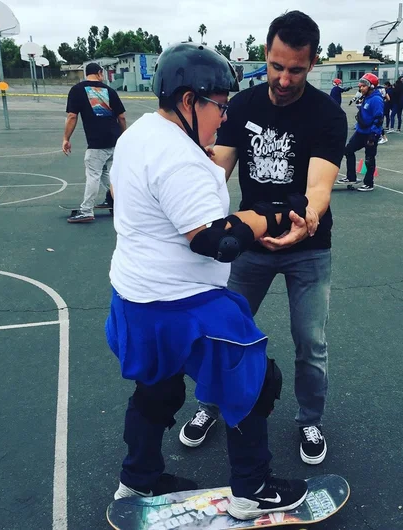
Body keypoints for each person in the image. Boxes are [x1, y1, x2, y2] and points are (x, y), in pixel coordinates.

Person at [105, 42, 309, 521]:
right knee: (257, 382)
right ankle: (252, 490)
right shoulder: (181, 157)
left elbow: (120, 199)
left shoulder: (138, 134)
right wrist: (273, 214)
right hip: (185, 305)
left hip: (135, 297)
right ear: (188, 100)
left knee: (157, 390)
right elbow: (215, 241)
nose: (224, 118)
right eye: (220, 106)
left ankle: (136, 480)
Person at [179, 11, 348, 466]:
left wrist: (305, 220)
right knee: (223, 331)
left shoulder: (328, 116)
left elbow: (319, 189)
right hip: (249, 246)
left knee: (310, 341)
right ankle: (208, 407)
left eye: (295, 68)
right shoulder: (244, 106)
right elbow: (218, 171)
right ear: (266, 56)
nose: (284, 78)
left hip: (308, 249)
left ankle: (309, 419)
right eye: (276, 66)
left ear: (312, 63)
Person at [62, 62, 127, 223]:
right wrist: (124, 137)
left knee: (93, 175)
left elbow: (72, 116)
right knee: (106, 173)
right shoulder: (110, 91)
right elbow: (122, 117)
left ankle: (86, 210)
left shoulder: (77, 90)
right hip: (115, 141)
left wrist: (66, 139)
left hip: (97, 142)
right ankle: (120, 202)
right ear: (99, 73)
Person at [338, 72, 384, 192]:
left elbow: (378, 118)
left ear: (371, 86)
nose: (361, 88)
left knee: (369, 159)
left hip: (370, 134)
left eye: (363, 86)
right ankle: (351, 177)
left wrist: (373, 135)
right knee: (348, 150)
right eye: (360, 86)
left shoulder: (376, 100)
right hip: (361, 132)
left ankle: (369, 183)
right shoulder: (366, 97)